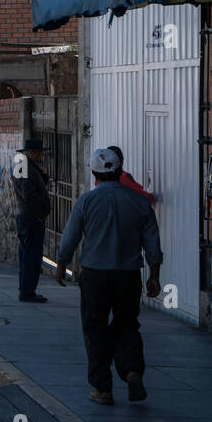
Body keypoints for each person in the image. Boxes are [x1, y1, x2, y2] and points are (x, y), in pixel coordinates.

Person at [54, 148, 163, 405]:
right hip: (128, 277)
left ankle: (102, 389)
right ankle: (132, 370)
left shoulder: (86, 201)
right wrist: (154, 275)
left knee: (95, 328)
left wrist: (61, 263)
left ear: (94, 174)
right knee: (127, 323)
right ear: (119, 170)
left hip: (95, 276)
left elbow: (71, 236)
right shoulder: (138, 202)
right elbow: (152, 242)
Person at [12, 137, 51, 303]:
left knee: (27, 255)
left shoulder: (25, 166)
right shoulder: (26, 167)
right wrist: (43, 204)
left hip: (26, 216)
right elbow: (28, 194)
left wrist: (43, 176)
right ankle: (28, 291)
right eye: (41, 153)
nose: (43, 156)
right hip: (31, 217)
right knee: (31, 256)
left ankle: (26, 289)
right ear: (33, 153)